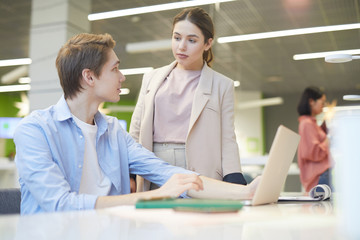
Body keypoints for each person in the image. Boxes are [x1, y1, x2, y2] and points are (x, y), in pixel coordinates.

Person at [13, 33, 259, 215]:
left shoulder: (113, 131)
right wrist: (153, 196)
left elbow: (171, 174)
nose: (122, 76)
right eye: (115, 69)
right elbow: (61, 204)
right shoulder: (35, 130)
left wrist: (246, 192)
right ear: (89, 77)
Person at [130, 7, 247, 192]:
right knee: (156, 219)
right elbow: (136, 129)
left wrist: (234, 177)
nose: (181, 46)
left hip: (200, 166)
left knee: (195, 219)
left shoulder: (222, 85)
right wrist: (130, 173)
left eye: (191, 40)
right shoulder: (151, 78)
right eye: (177, 38)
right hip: (154, 166)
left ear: (208, 44)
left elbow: (227, 138)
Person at [296, 86, 335, 192]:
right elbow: (314, 153)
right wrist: (329, 137)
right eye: (322, 102)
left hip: (321, 176)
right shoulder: (307, 124)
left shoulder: (311, 124)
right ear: (311, 101)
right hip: (319, 177)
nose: (323, 106)